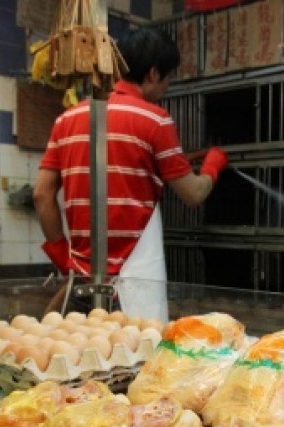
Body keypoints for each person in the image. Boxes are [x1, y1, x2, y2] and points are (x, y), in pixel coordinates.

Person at [33, 27, 228, 319]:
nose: (167, 87)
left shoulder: (67, 119)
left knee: (83, 358)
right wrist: (214, 163)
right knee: (135, 359)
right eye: (168, 77)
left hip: (83, 282)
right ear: (152, 73)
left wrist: (62, 253)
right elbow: (194, 193)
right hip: (133, 284)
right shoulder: (154, 120)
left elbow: (41, 195)